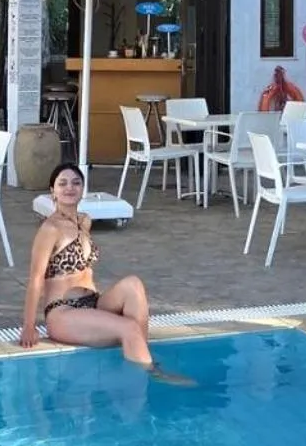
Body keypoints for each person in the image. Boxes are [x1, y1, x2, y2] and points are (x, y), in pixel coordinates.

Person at [20, 162, 193, 382]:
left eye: (76, 183)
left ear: (83, 189)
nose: (69, 188)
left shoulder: (85, 221)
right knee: (129, 327)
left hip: (94, 302)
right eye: (62, 183)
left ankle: (139, 353)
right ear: (52, 191)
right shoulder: (50, 229)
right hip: (63, 312)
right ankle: (152, 377)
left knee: (133, 284)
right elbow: (35, 279)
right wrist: (29, 326)